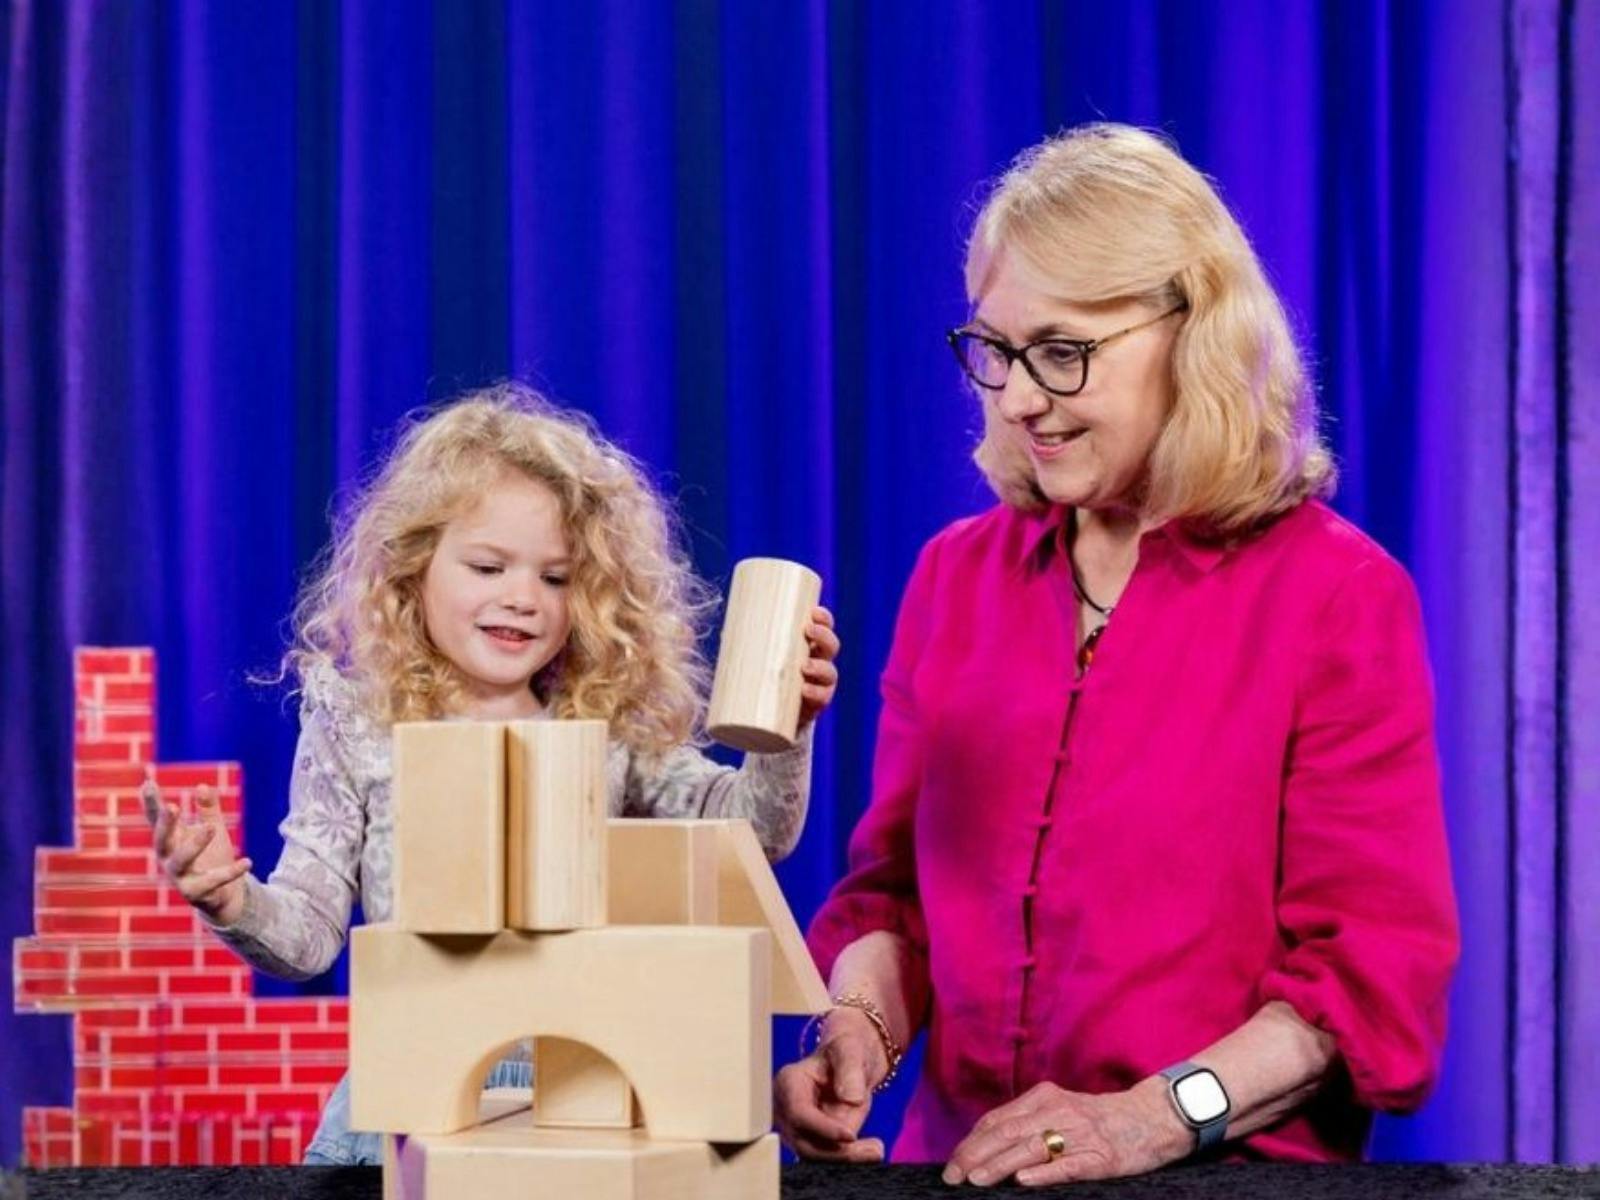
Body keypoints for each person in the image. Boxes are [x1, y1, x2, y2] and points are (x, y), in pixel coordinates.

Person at [774, 123, 1458, 1186]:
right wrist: (857, 1025)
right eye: (996, 352)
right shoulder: (953, 579)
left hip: (1219, 1175)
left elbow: (1367, 980)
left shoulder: (1339, 596)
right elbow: (894, 899)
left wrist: (1150, 1119)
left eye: (1062, 352)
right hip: (960, 1169)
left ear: (1195, 336)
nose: (1019, 398)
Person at [142, 383, 840, 1164]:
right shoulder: (360, 722)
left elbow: (753, 833)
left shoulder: (599, 726)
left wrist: (788, 729)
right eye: (487, 565)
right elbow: (306, 938)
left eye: (555, 577)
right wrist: (232, 898)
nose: (521, 598)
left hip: (579, 1097)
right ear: (413, 569)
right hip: (416, 1095)